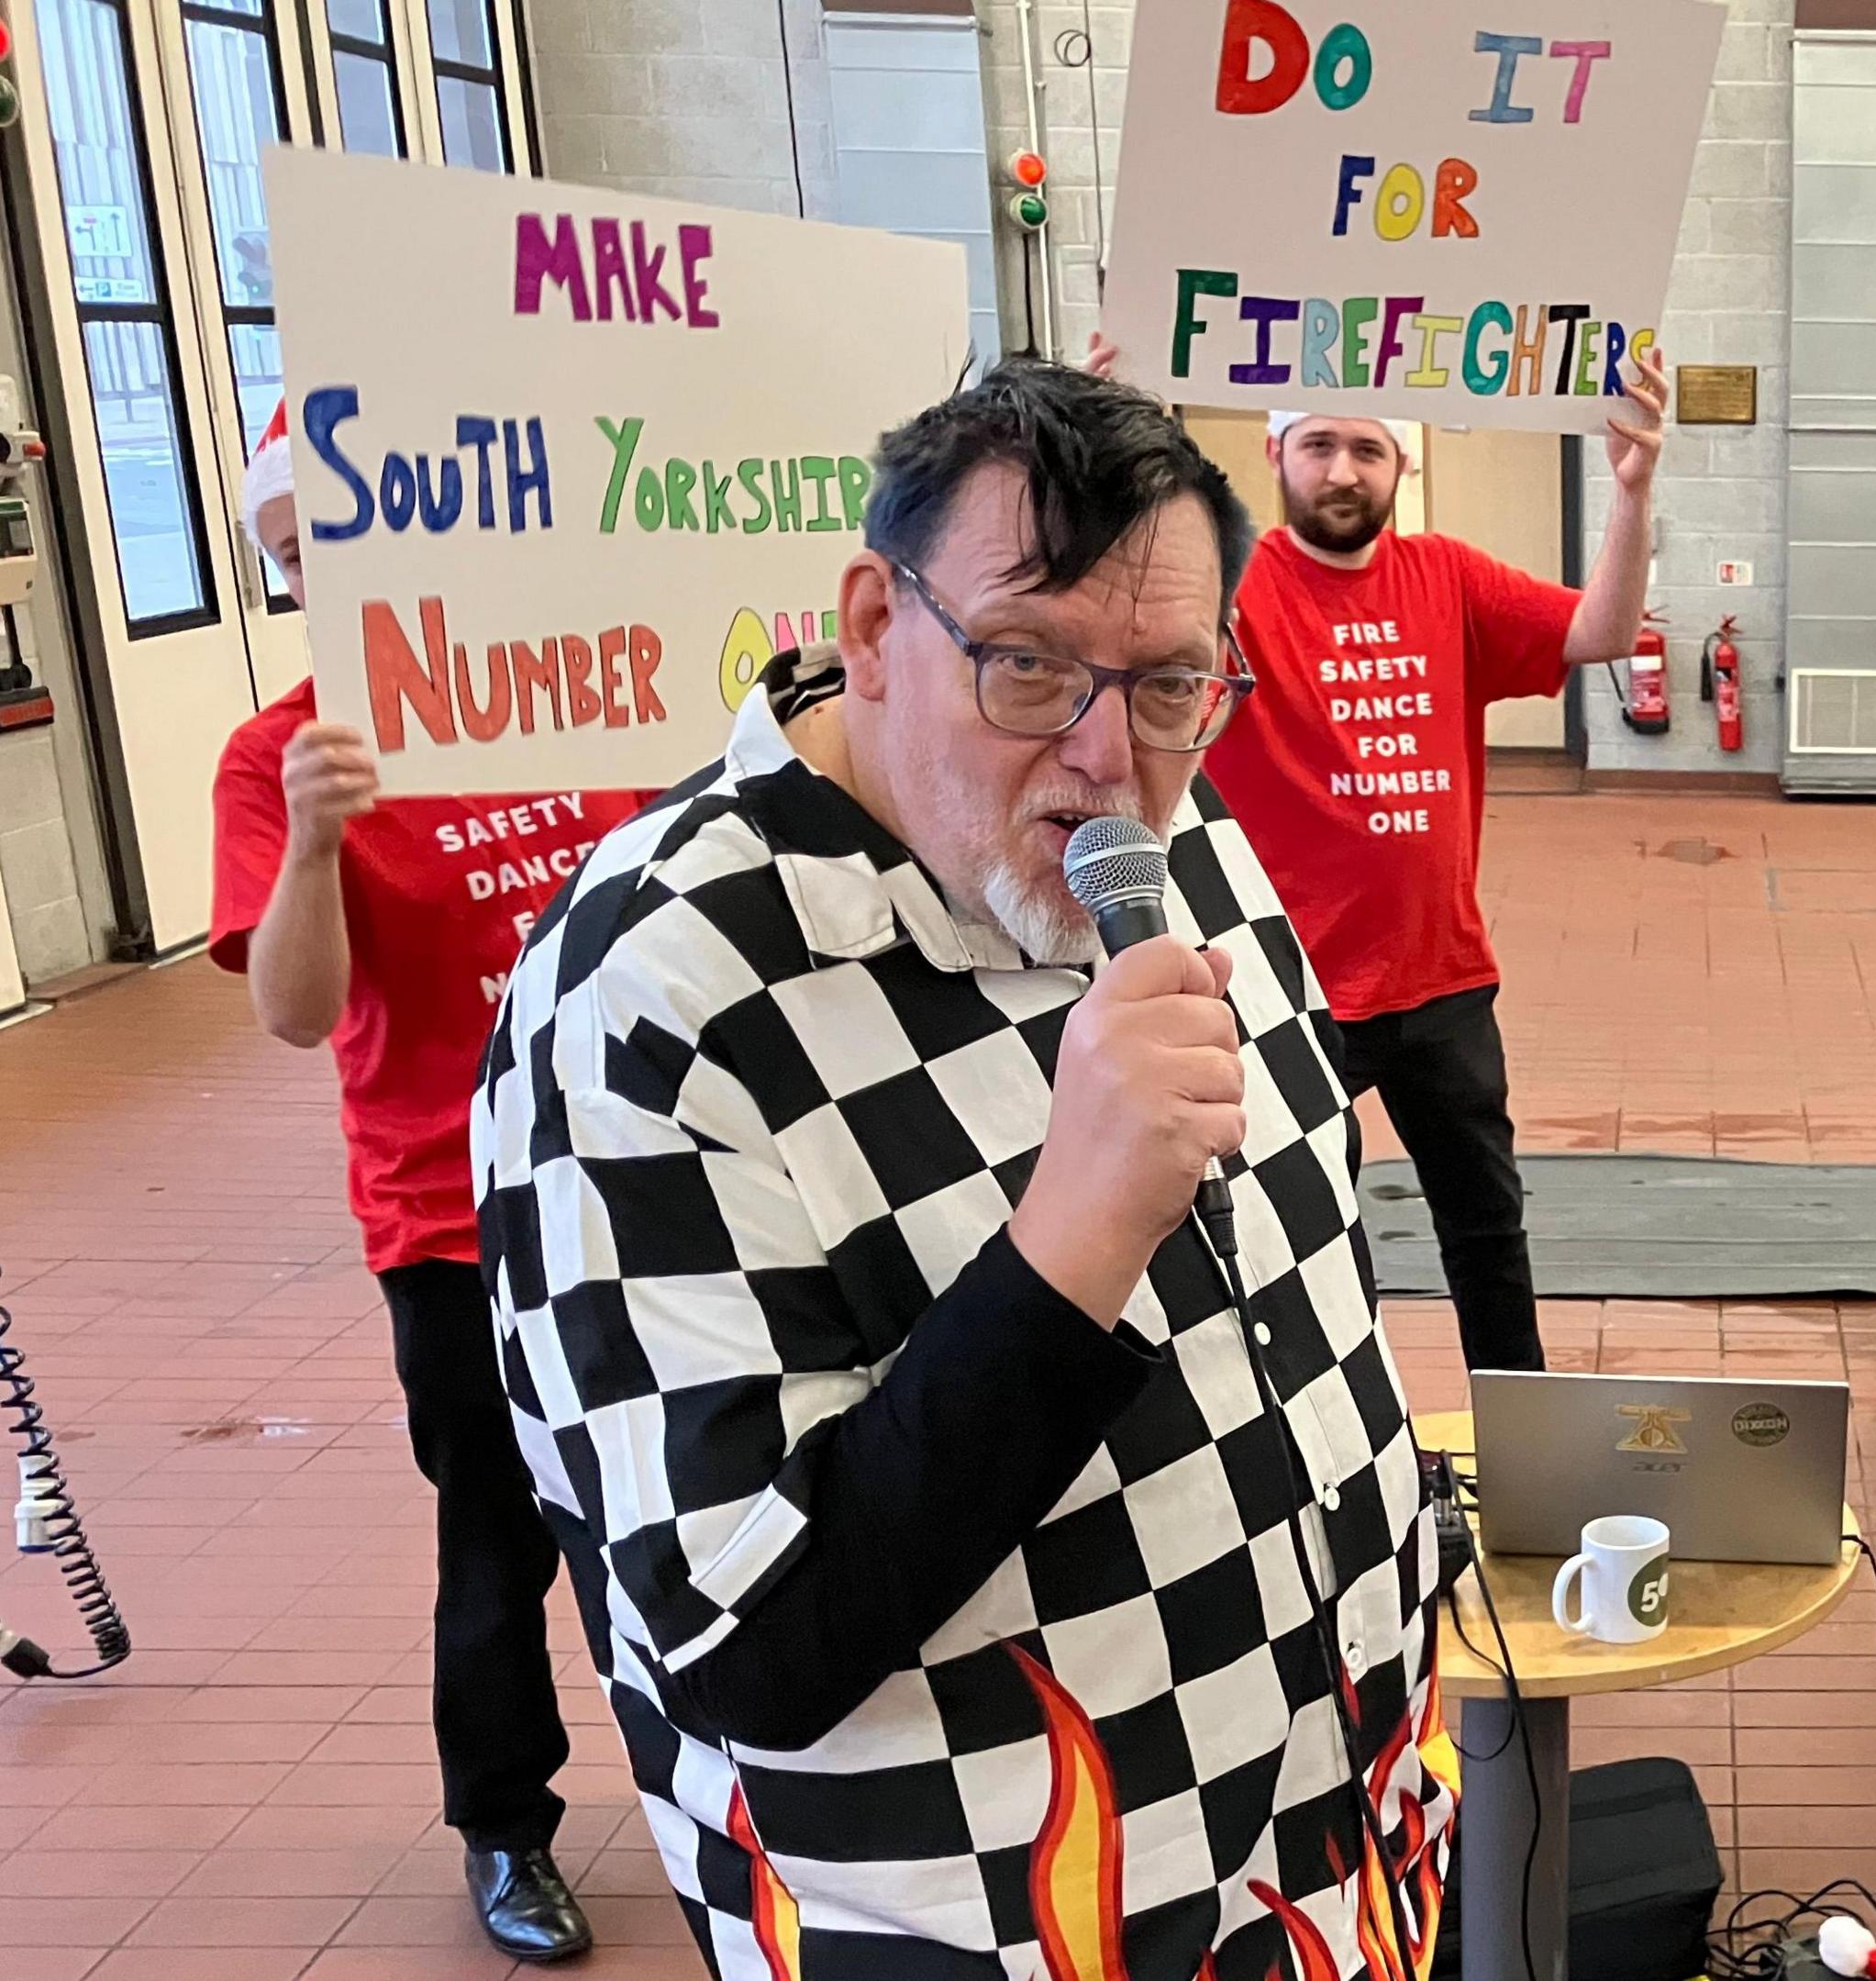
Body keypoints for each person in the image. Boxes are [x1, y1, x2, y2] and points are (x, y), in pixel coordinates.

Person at [474, 360, 1455, 1976]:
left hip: (1326, 1863)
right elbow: (744, 1643)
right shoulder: (654, 996)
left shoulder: (1178, 825)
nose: (1100, 760)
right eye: (1026, 666)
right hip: (1006, 1916)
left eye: (1167, 685)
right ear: (872, 624)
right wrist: (1073, 1235)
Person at [206, 412, 638, 1963]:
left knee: (682, 1500)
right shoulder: (281, 754)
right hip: (452, 1218)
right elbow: (294, 1008)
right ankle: (506, 1828)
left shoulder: (557, 685)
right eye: (296, 552)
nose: (334, 570)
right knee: (497, 1537)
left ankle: (724, 1769)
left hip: (630, 1181)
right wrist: (316, 841)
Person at [1086, 330, 1667, 1373]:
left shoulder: (1446, 577)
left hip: (1440, 977)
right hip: (1288, 986)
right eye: (1317, 445)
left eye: (1365, 447)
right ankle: (1339, 1429)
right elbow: (1123, 616)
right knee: (1300, 1234)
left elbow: (1603, 631)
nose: (1341, 471)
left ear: (1404, 461)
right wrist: (1104, 445)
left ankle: (1520, 1437)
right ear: (1274, 455)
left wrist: (1631, 486)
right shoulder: (1234, 588)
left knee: (1488, 1233)